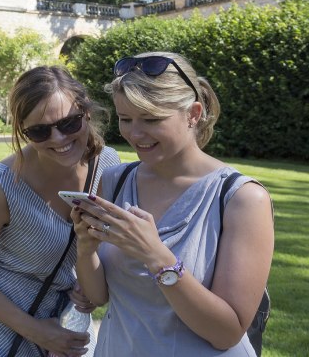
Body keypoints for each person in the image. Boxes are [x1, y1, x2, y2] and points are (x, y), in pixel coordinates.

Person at [69, 52, 274, 356]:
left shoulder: (241, 198)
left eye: (151, 119)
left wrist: (157, 256)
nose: (135, 134)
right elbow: (99, 296)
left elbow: (226, 332)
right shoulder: (114, 181)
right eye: (125, 119)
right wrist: (85, 249)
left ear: (193, 113)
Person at [0, 65, 121, 357]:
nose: (58, 139)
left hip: (70, 332)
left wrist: (89, 285)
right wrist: (35, 331)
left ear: (86, 112)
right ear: (22, 131)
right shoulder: (2, 187)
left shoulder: (109, 166)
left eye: (69, 123)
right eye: (39, 131)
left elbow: (106, 250)